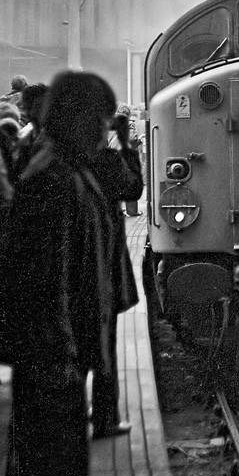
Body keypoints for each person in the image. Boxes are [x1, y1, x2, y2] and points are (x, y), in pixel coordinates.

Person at [0, 71, 116, 476]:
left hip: (57, 369)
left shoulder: (62, 170)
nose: (103, 133)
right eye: (100, 121)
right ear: (76, 118)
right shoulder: (53, 179)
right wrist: (64, 362)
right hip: (53, 374)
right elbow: (46, 285)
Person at [91, 109, 143, 439]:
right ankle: (106, 417)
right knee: (103, 344)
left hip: (77, 269)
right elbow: (133, 189)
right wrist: (126, 145)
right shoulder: (105, 160)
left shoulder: (45, 156)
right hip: (100, 265)